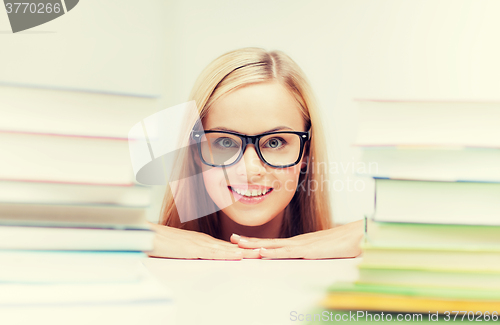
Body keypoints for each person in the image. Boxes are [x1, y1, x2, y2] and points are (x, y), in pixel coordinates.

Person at [148, 48, 363, 260]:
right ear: (195, 150)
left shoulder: (358, 245)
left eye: (275, 142)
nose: (250, 170)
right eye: (225, 142)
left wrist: (370, 232)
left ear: (305, 152)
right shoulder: (145, 245)